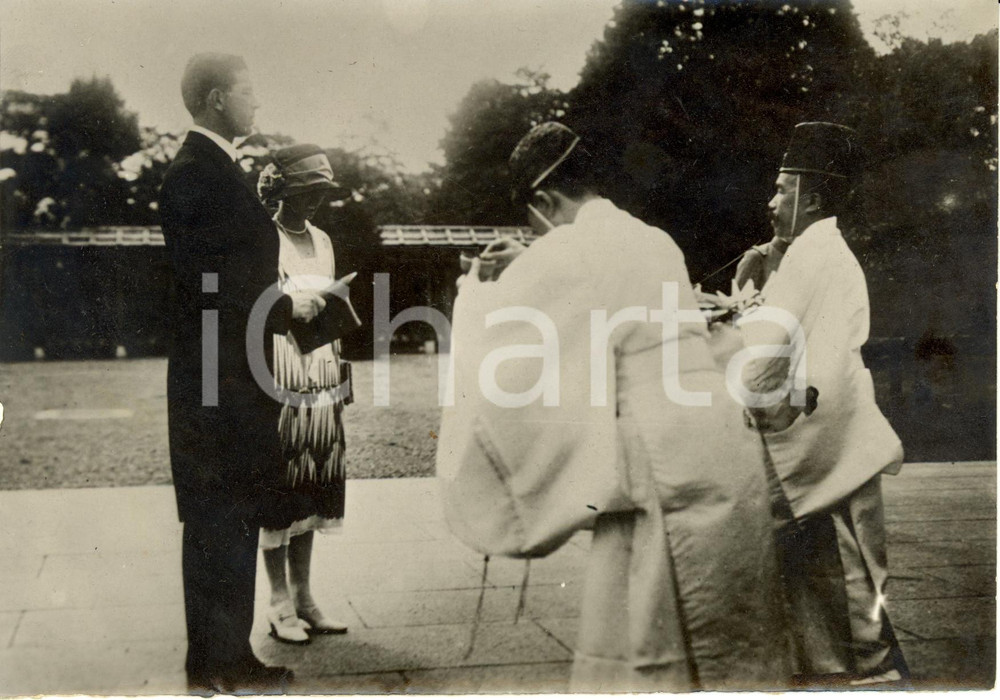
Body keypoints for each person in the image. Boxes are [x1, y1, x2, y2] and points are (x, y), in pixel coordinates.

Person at [438, 122, 791, 691]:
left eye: (533, 218)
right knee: (722, 622)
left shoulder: (563, 251)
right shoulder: (653, 238)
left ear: (545, 201)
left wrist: (474, 294)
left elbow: (507, 350)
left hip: (653, 451)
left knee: (648, 627)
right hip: (716, 434)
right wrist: (531, 258)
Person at [159, 54, 325, 693]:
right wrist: (290, 305)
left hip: (228, 371)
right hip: (216, 376)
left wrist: (281, 303)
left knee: (231, 516)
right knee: (216, 518)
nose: (256, 103)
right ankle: (215, 665)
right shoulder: (197, 174)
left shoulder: (215, 169)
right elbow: (215, 284)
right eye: (248, 92)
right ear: (216, 98)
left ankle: (229, 658)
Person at [738, 122, 908, 686]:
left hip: (815, 433)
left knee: (838, 558)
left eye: (782, 188)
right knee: (851, 550)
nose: (771, 199)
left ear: (810, 197)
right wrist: (770, 257)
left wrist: (730, 324)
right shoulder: (818, 249)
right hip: (835, 425)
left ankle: (868, 669)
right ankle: (859, 666)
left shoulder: (813, 257)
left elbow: (762, 353)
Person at [255, 144, 354, 644]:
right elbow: (258, 308)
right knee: (280, 478)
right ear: (284, 190)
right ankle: (278, 602)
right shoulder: (261, 236)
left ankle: (306, 596)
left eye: (321, 193)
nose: (314, 202)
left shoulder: (323, 239)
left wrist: (340, 371)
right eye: (307, 192)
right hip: (278, 366)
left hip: (321, 366)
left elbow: (331, 312)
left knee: (316, 476)